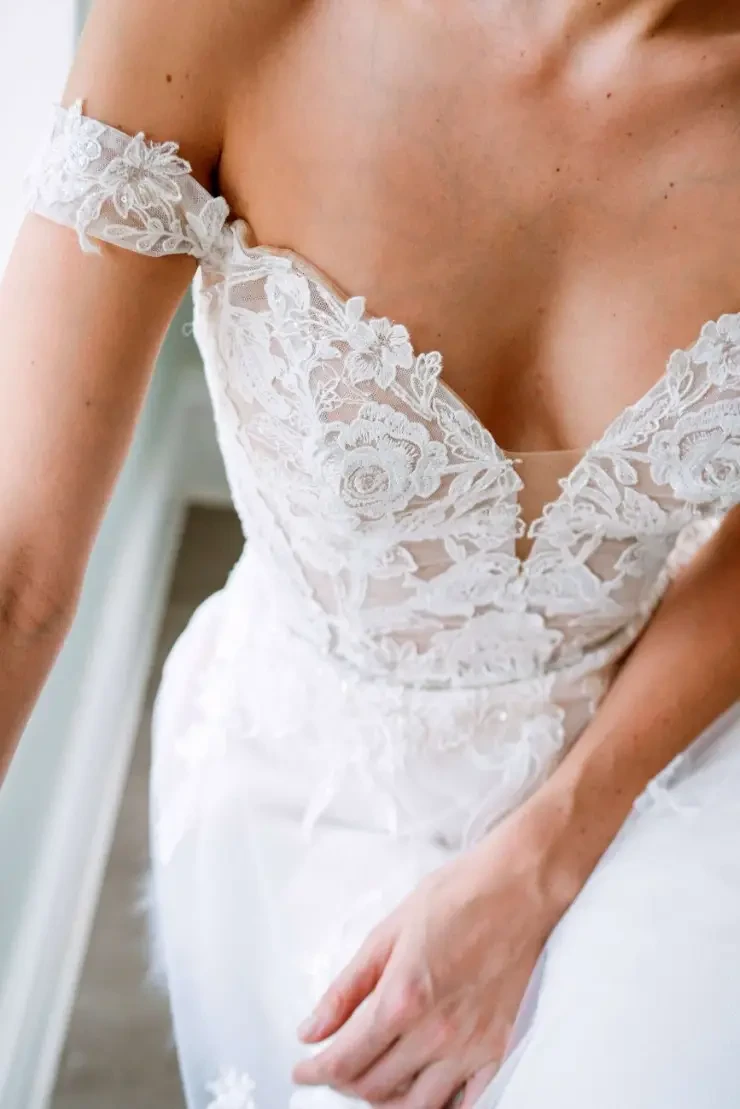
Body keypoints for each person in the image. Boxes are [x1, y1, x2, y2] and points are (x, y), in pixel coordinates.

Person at [3, 0, 740, 1105]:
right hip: (301, 789)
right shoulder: (218, 20)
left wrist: (546, 851)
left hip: (651, 763)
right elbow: (17, 567)